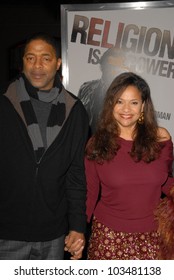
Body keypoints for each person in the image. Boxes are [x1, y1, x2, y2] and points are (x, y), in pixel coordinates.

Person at [0, 32, 89, 260]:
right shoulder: (4, 103)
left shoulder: (75, 110)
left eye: (46, 58)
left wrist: (77, 226)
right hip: (7, 233)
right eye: (30, 58)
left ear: (58, 63)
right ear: (22, 63)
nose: (37, 65)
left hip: (53, 234)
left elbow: (76, 174)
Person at [85, 72, 174, 260]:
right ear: (111, 105)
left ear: (143, 106)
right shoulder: (97, 143)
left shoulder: (161, 139)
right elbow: (90, 192)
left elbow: (164, 180)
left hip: (153, 236)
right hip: (108, 236)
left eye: (133, 102)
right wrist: (76, 230)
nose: (126, 109)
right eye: (119, 101)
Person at [78, 47, 129, 135]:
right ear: (102, 66)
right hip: (85, 142)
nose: (113, 71)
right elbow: (77, 118)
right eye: (110, 66)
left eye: (117, 67)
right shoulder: (86, 88)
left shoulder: (127, 94)